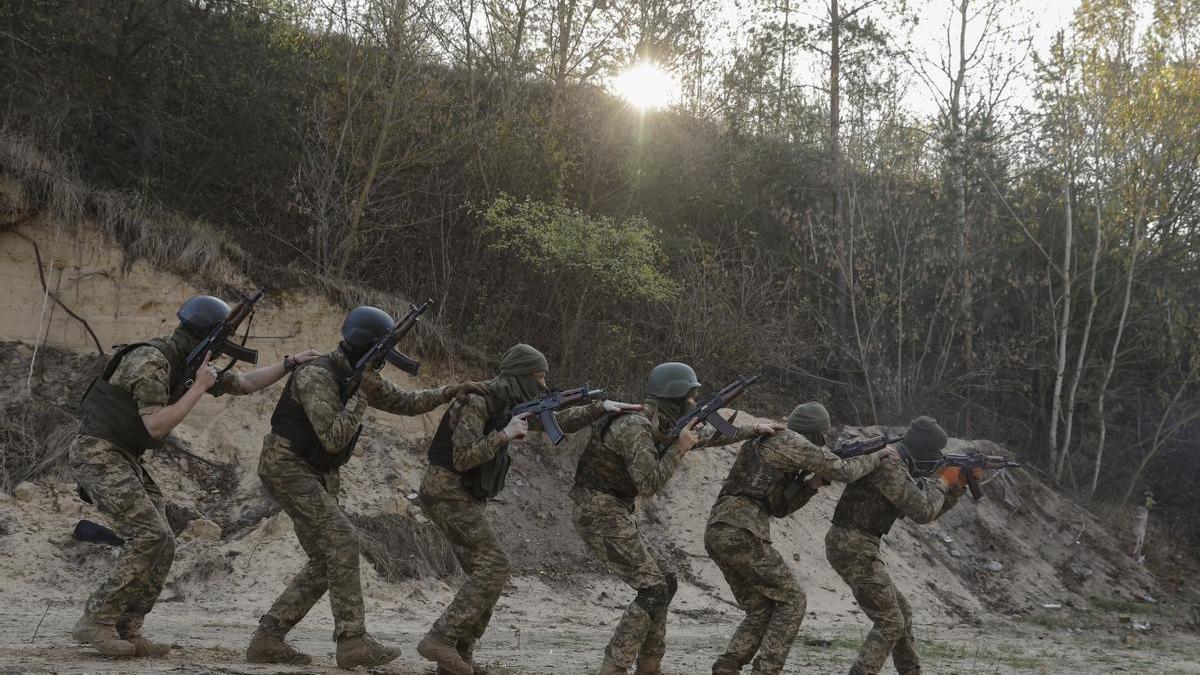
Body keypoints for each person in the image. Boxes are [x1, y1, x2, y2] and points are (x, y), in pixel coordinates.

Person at [71, 294, 320, 658]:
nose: (221, 352)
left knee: (164, 541)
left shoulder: (188, 364)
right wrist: (200, 387)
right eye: (219, 343)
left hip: (123, 455)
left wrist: (288, 363)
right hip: (97, 451)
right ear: (203, 336)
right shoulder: (151, 360)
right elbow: (156, 427)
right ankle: (96, 620)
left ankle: (129, 626)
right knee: (149, 534)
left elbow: (245, 383)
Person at [245, 305, 485, 669]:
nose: (385, 364)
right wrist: (361, 396)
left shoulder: (357, 375)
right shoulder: (316, 375)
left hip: (313, 472)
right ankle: (352, 641)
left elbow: (407, 402)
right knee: (343, 540)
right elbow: (332, 438)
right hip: (287, 466)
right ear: (364, 345)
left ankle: (268, 637)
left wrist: (452, 390)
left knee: (328, 559)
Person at [417, 343, 642, 675]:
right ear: (521, 374)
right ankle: (439, 640)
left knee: (488, 573)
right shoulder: (478, 402)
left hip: (462, 496)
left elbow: (558, 420)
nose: (543, 384)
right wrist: (504, 435)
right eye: (538, 375)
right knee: (494, 568)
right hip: (446, 493)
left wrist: (599, 408)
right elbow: (461, 458)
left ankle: (460, 656)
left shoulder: (509, 402)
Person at [571, 362, 783, 675]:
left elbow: (708, 435)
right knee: (653, 588)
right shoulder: (635, 426)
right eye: (691, 396)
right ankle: (613, 667)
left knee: (665, 580)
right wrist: (679, 450)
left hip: (612, 510)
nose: (695, 403)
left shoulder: (659, 421)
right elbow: (648, 485)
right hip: (598, 511)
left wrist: (753, 430)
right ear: (676, 396)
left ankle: (649, 664)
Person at [706, 402, 896, 675]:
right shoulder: (792, 440)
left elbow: (780, 508)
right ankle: (766, 669)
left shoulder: (767, 441)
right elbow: (844, 471)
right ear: (817, 432)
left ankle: (728, 664)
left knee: (760, 607)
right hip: (743, 530)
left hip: (718, 530)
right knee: (793, 600)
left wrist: (811, 485)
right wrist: (877, 456)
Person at [824, 416, 974, 675]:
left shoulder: (897, 464)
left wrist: (956, 487)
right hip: (852, 544)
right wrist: (944, 481)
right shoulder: (890, 467)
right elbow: (924, 511)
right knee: (890, 621)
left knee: (901, 612)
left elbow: (928, 511)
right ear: (921, 451)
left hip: (856, 544)